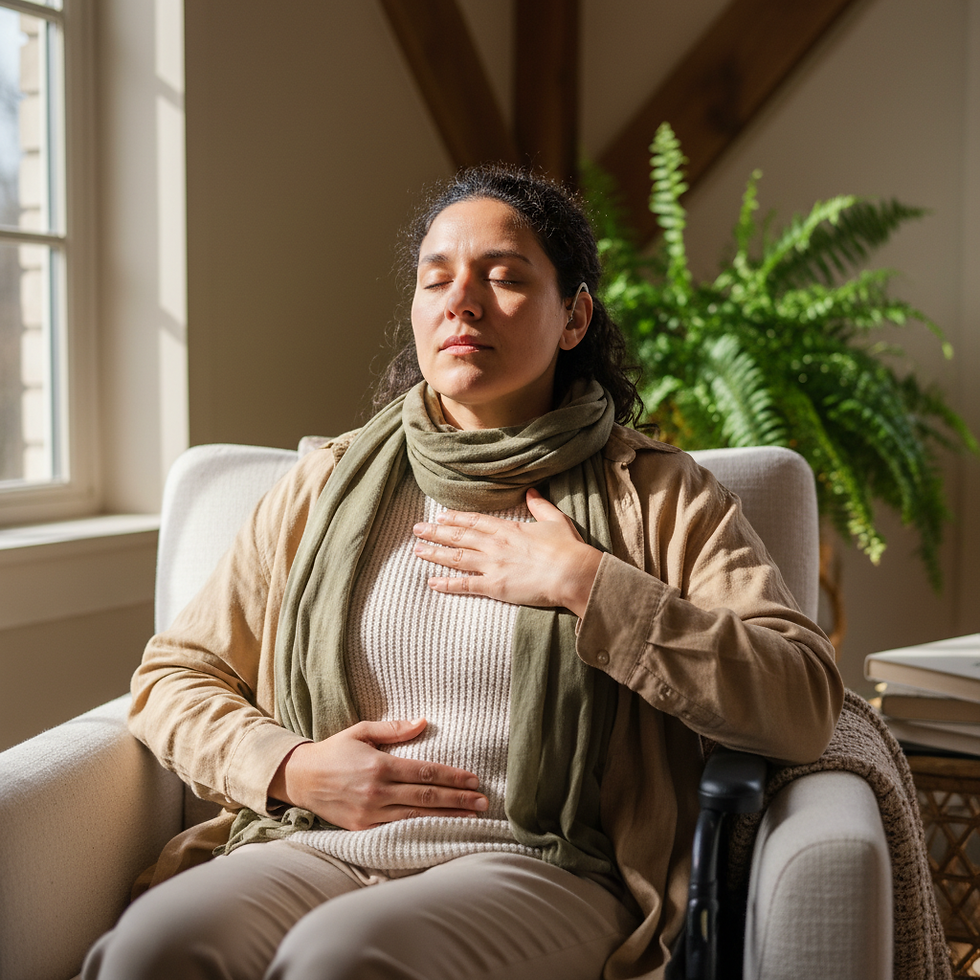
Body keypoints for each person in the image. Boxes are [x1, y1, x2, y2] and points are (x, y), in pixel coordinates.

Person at [83, 165, 843, 980]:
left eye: (506, 277)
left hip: (543, 864)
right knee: (149, 949)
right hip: (316, 840)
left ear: (574, 316)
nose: (463, 301)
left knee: (343, 961)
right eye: (436, 278)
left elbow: (800, 701)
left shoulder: (656, 494)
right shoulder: (325, 485)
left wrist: (593, 586)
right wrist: (291, 767)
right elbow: (172, 676)